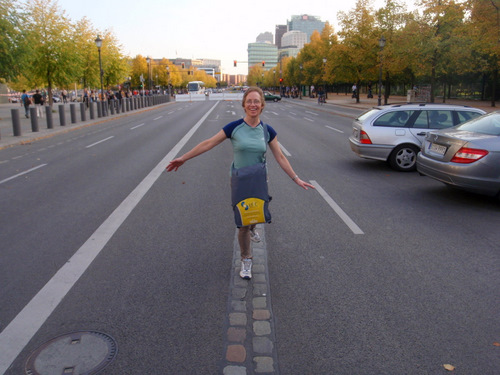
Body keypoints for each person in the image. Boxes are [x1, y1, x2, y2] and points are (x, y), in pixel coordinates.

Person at [166, 86, 315, 280]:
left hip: (259, 181)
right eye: (249, 101)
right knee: (243, 223)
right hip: (239, 181)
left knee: (255, 216)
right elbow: (208, 143)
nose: (253, 105)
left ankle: (253, 229)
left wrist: (296, 178)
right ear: (244, 104)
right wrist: (184, 158)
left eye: (256, 101)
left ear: (262, 105)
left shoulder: (267, 130)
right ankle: (246, 259)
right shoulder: (234, 127)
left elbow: (280, 157)